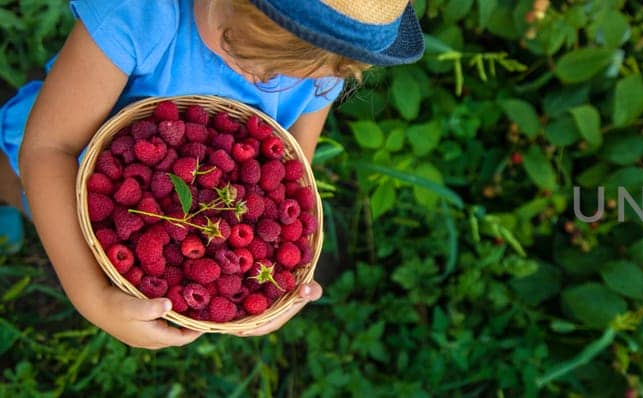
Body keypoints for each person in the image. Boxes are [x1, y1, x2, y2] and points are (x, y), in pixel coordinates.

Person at [0, 0, 422, 349]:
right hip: (69, 146)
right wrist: (91, 297)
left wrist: (278, 275)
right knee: (30, 187)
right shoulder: (141, 15)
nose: (261, 82)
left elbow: (291, 172)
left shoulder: (320, 60)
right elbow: (48, 149)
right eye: (247, 55)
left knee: (71, 221)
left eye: (292, 75)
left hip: (140, 197)